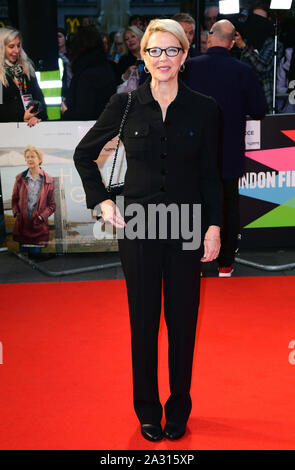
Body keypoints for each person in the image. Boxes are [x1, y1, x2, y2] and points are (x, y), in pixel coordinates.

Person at [74, 18, 222, 441]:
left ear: (184, 55)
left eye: (171, 50)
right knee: (143, 321)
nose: (163, 58)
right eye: (155, 51)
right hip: (137, 226)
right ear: (143, 56)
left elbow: (211, 176)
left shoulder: (206, 108)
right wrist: (101, 200)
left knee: (182, 321)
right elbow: (85, 155)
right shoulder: (123, 105)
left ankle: (178, 408)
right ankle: (147, 410)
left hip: (187, 225)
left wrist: (213, 227)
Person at [184, 19, 267, 277]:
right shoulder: (243, 71)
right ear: (233, 42)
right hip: (228, 152)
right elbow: (259, 110)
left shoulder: (189, 68)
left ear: (209, 38)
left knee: (193, 205)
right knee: (228, 206)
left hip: (192, 152)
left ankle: (192, 264)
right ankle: (225, 265)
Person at [61, 26, 117, 121]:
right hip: (106, 125)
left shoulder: (86, 73)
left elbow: (84, 114)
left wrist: (66, 112)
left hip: (87, 130)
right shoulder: (106, 67)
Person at [235, 12, 284, 113]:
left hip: (266, 101)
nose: (256, 22)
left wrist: (244, 47)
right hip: (245, 101)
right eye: (254, 18)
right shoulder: (246, 41)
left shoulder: (274, 44)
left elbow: (263, 67)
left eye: (260, 19)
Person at [11, 146, 56, 255]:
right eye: (27, 157)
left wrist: (41, 217)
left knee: (35, 258)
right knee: (22, 261)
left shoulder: (48, 180)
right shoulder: (19, 178)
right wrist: (17, 213)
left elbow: (52, 205)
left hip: (38, 226)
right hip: (22, 225)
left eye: (33, 156)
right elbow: (14, 199)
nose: (30, 159)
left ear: (39, 159)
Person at [0, 27, 47, 126]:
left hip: (30, 128)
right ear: (2, 48)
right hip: (7, 132)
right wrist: (22, 115)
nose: (16, 51)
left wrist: (35, 116)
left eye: (18, 45)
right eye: (11, 46)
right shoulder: (1, 74)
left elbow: (39, 100)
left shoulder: (27, 68)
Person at [57, 27, 72, 102]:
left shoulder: (72, 55)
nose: (57, 39)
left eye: (60, 36)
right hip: (60, 92)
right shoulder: (52, 57)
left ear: (65, 38)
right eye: (55, 37)